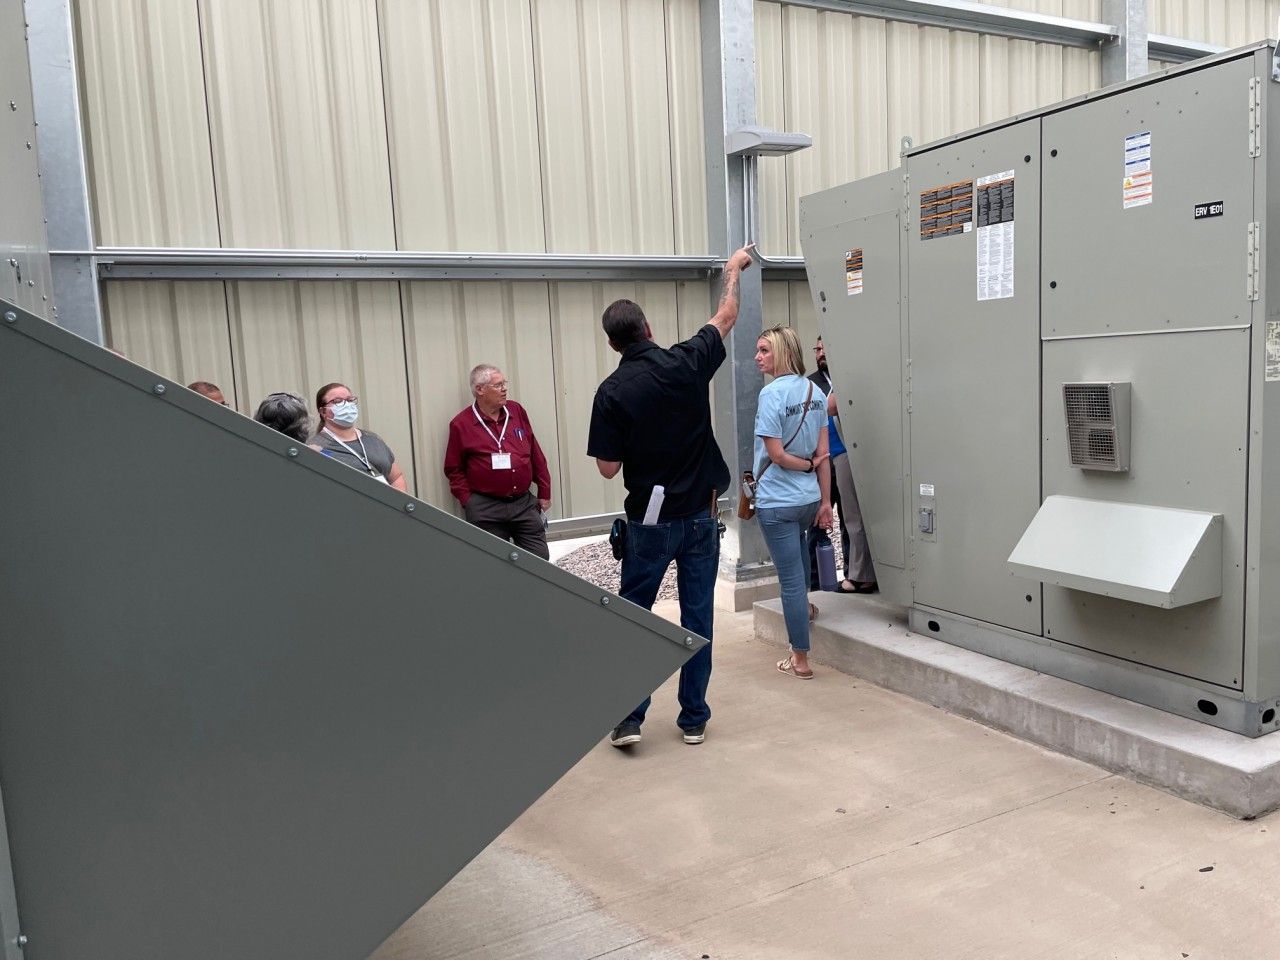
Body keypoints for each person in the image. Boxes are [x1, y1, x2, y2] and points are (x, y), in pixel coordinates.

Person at [588, 244, 755, 748]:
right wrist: (732, 269)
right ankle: (693, 718)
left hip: (650, 522)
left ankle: (629, 718)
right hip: (701, 516)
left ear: (614, 344)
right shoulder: (687, 361)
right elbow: (727, 315)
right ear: (648, 329)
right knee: (697, 615)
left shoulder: (611, 393)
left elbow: (607, 467)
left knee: (634, 619)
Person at [753, 325, 832, 680]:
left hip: (777, 501)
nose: (758, 357)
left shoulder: (770, 395)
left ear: (782, 352)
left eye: (764, 350)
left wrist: (803, 465)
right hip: (808, 499)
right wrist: (826, 501)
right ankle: (806, 609)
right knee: (798, 562)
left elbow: (776, 455)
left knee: (789, 579)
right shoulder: (815, 390)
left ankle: (799, 659)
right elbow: (824, 453)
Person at [444, 365, 552, 560]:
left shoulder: (516, 411)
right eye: (498, 385)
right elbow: (454, 469)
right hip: (486, 508)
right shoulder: (461, 424)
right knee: (493, 564)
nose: (504, 389)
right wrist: (469, 501)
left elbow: (534, 452)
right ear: (480, 390)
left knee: (539, 560)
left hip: (523, 504)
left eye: (504, 383)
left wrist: (544, 491)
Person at [807, 336, 877, 593]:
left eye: (826, 347)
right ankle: (814, 583)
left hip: (848, 455)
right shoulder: (810, 383)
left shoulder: (847, 377)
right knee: (818, 522)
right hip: (824, 460)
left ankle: (855, 574)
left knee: (853, 520)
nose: (821, 353)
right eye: (818, 349)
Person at [311, 382, 408, 491]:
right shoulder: (316, 448)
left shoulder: (372, 439)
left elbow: (396, 477)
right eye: (337, 401)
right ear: (323, 411)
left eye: (349, 400)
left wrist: (396, 506)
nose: (346, 405)